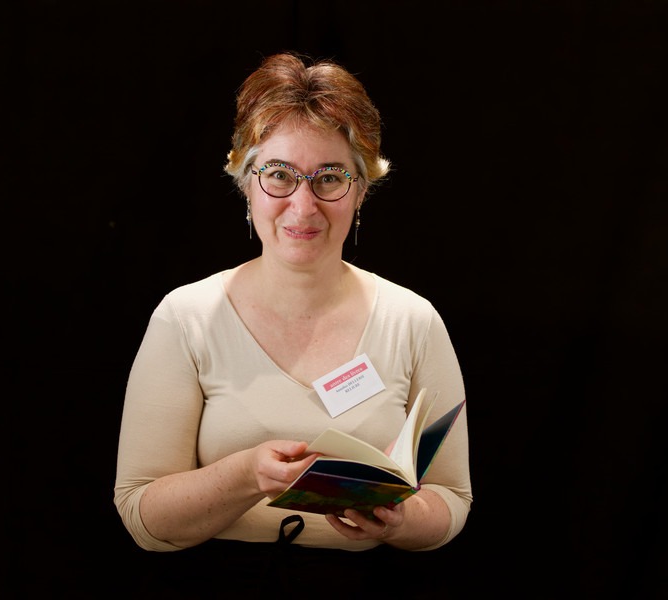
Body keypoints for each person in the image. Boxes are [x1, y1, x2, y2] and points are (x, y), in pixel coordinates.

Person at [114, 52, 472, 596]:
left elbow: (452, 500)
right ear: (246, 183)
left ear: (362, 189)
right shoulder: (186, 318)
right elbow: (142, 516)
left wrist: (402, 520)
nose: (303, 207)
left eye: (330, 178)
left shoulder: (413, 322)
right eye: (279, 175)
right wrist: (244, 476)